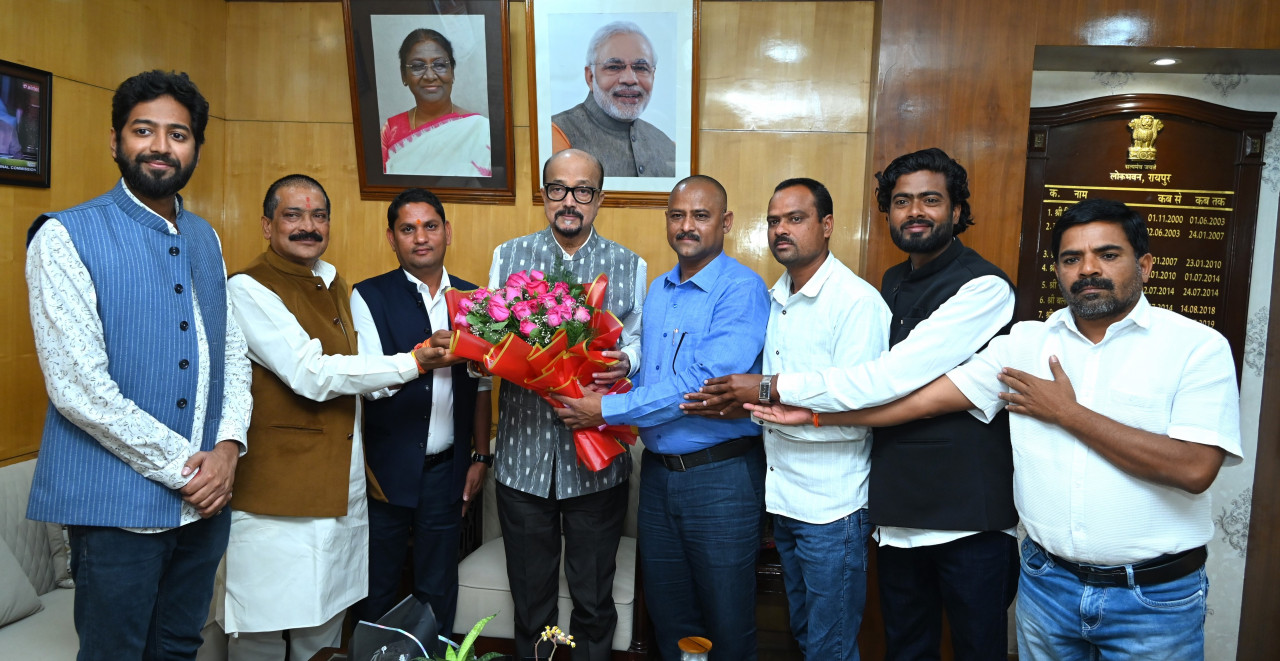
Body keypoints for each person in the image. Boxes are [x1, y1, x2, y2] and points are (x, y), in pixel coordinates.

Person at [749, 198, 1243, 661]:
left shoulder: (1195, 347)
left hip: (1153, 595)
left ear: (1146, 265)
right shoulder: (1025, 343)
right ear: (1057, 270)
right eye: (1071, 259)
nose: (1088, 269)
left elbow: (1194, 469)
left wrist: (1068, 413)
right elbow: (920, 403)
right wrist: (816, 416)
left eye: (1108, 254)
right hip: (1048, 585)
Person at [692, 149, 1020, 660]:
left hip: (964, 512)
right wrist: (772, 405)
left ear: (957, 210)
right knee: (901, 647)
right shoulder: (893, 281)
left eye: (930, 200)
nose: (914, 211)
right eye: (902, 201)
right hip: (897, 506)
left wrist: (772, 389)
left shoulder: (983, 286)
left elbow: (886, 380)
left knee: (974, 649)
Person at [24, 69, 252, 660]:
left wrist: (228, 447)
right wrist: (188, 469)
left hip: (203, 508)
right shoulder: (64, 236)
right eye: (143, 130)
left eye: (178, 134)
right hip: (116, 510)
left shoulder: (205, 237)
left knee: (178, 646)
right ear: (115, 140)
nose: (160, 146)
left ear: (196, 147)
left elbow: (230, 353)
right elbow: (78, 388)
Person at [223, 175, 460, 661]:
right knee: (261, 631)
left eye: (319, 216)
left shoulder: (331, 282)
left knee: (324, 631)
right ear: (267, 225)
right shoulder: (248, 287)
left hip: (342, 487)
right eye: (293, 215)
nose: (308, 226)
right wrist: (413, 362)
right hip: (279, 492)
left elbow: (356, 375)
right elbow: (310, 373)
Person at [554, 175, 769, 661]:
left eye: (700, 215)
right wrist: (620, 370)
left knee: (727, 624)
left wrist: (604, 409)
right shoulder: (658, 289)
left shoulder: (741, 289)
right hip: (657, 477)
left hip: (720, 479)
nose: (686, 225)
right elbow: (655, 373)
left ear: (726, 223)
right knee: (672, 621)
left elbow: (702, 383)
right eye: (677, 215)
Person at [684, 178, 887, 659]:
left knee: (830, 646)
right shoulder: (777, 298)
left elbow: (860, 401)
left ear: (827, 225)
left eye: (796, 219)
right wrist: (739, 403)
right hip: (783, 500)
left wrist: (764, 389)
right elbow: (776, 403)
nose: (781, 230)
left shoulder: (855, 302)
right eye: (774, 221)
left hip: (833, 508)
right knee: (803, 634)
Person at [486, 148, 647, 660]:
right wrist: (483, 358)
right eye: (558, 189)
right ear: (544, 195)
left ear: (599, 199)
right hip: (522, 459)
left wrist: (627, 361)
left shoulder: (630, 264)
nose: (569, 201)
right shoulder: (508, 256)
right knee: (530, 600)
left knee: (594, 600)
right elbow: (489, 336)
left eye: (582, 190)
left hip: (597, 462)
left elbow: (640, 342)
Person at [349, 187, 493, 633]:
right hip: (384, 470)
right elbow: (369, 384)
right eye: (407, 229)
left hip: (446, 471)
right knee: (377, 587)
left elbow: (483, 384)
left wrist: (480, 456)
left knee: (438, 589)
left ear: (447, 231)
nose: (421, 237)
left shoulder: (474, 300)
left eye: (430, 226)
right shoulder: (368, 296)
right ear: (391, 238)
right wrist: (421, 357)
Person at [551, 21, 674, 178]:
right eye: (614, 67)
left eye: (641, 68)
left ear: (653, 77)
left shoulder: (667, 145)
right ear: (590, 77)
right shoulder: (557, 133)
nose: (629, 79)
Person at [381, 28, 491, 177]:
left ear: (452, 72)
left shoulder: (481, 130)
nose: (430, 76)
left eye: (439, 65)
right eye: (417, 66)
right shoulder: (391, 131)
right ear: (404, 76)